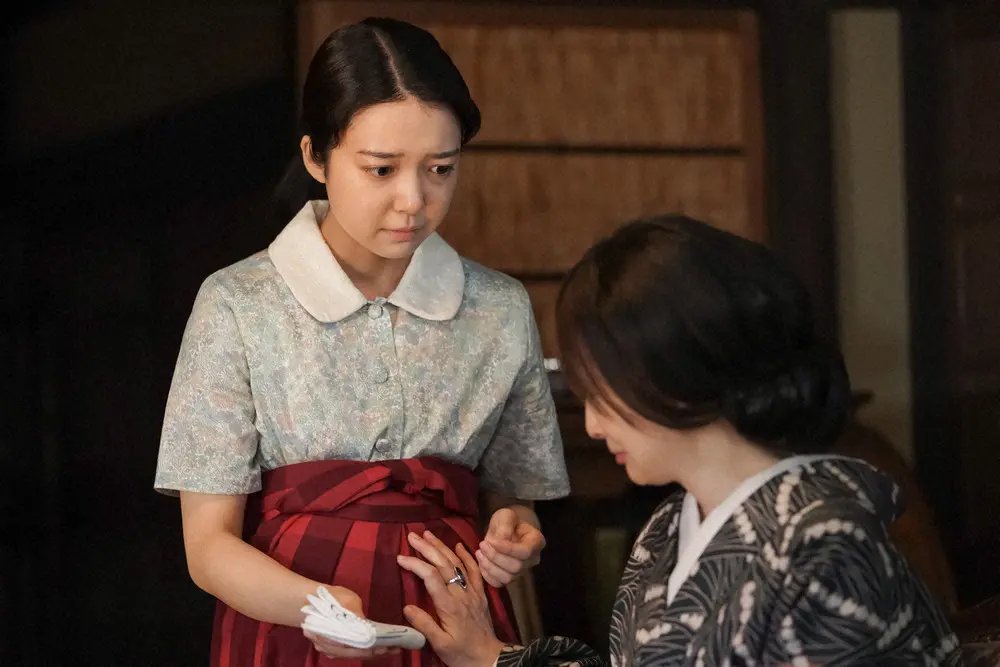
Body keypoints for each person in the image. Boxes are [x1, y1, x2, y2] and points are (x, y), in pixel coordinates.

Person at [153, 17, 570, 666]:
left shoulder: (498, 307)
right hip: (294, 627)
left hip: (458, 631)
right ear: (315, 157)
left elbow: (512, 497)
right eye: (381, 169)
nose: (413, 200)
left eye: (440, 168)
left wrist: (518, 531)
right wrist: (320, 603)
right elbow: (208, 546)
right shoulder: (238, 303)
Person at [396, 215, 961, 666]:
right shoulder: (668, 527)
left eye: (602, 396)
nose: (592, 426)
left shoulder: (826, 545)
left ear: (675, 372)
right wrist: (491, 655)